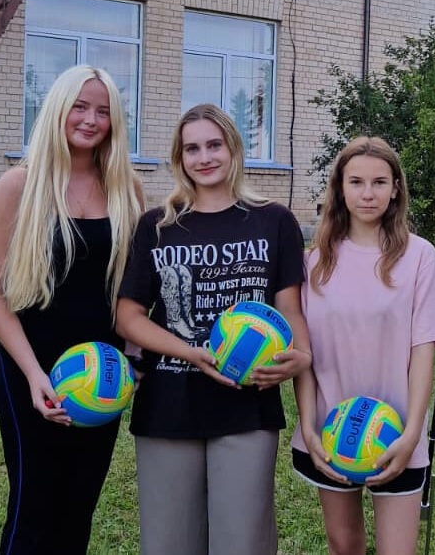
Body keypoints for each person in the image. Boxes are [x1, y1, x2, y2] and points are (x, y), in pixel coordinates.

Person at [115, 103, 311, 555]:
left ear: (233, 149)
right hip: (168, 403)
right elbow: (128, 316)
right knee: (168, 545)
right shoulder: (157, 226)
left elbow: (290, 309)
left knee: (243, 543)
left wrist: (302, 356)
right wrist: (190, 353)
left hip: (248, 404)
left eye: (214, 145)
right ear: (179, 158)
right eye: (192, 149)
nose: (204, 158)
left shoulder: (274, 220)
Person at [0, 65, 143, 555]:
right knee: (33, 509)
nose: (90, 120)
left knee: (78, 510)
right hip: (31, 368)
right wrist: (34, 375)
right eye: (80, 106)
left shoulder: (126, 189)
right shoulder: (19, 185)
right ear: (58, 109)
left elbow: (130, 291)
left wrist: (132, 357)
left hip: (101, 373)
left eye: (103, 111)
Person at [292, 136, 435, 555]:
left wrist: (412, 433)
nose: (367, 194)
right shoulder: (313, 263)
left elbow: (424, 350)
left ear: (396, 189)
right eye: (356, 182)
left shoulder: (420, 257)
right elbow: (305, 358)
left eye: (379, 182)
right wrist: (309, 426)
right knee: (343, 544)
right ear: (340, 188)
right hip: (332, 433)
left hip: (395, 434)